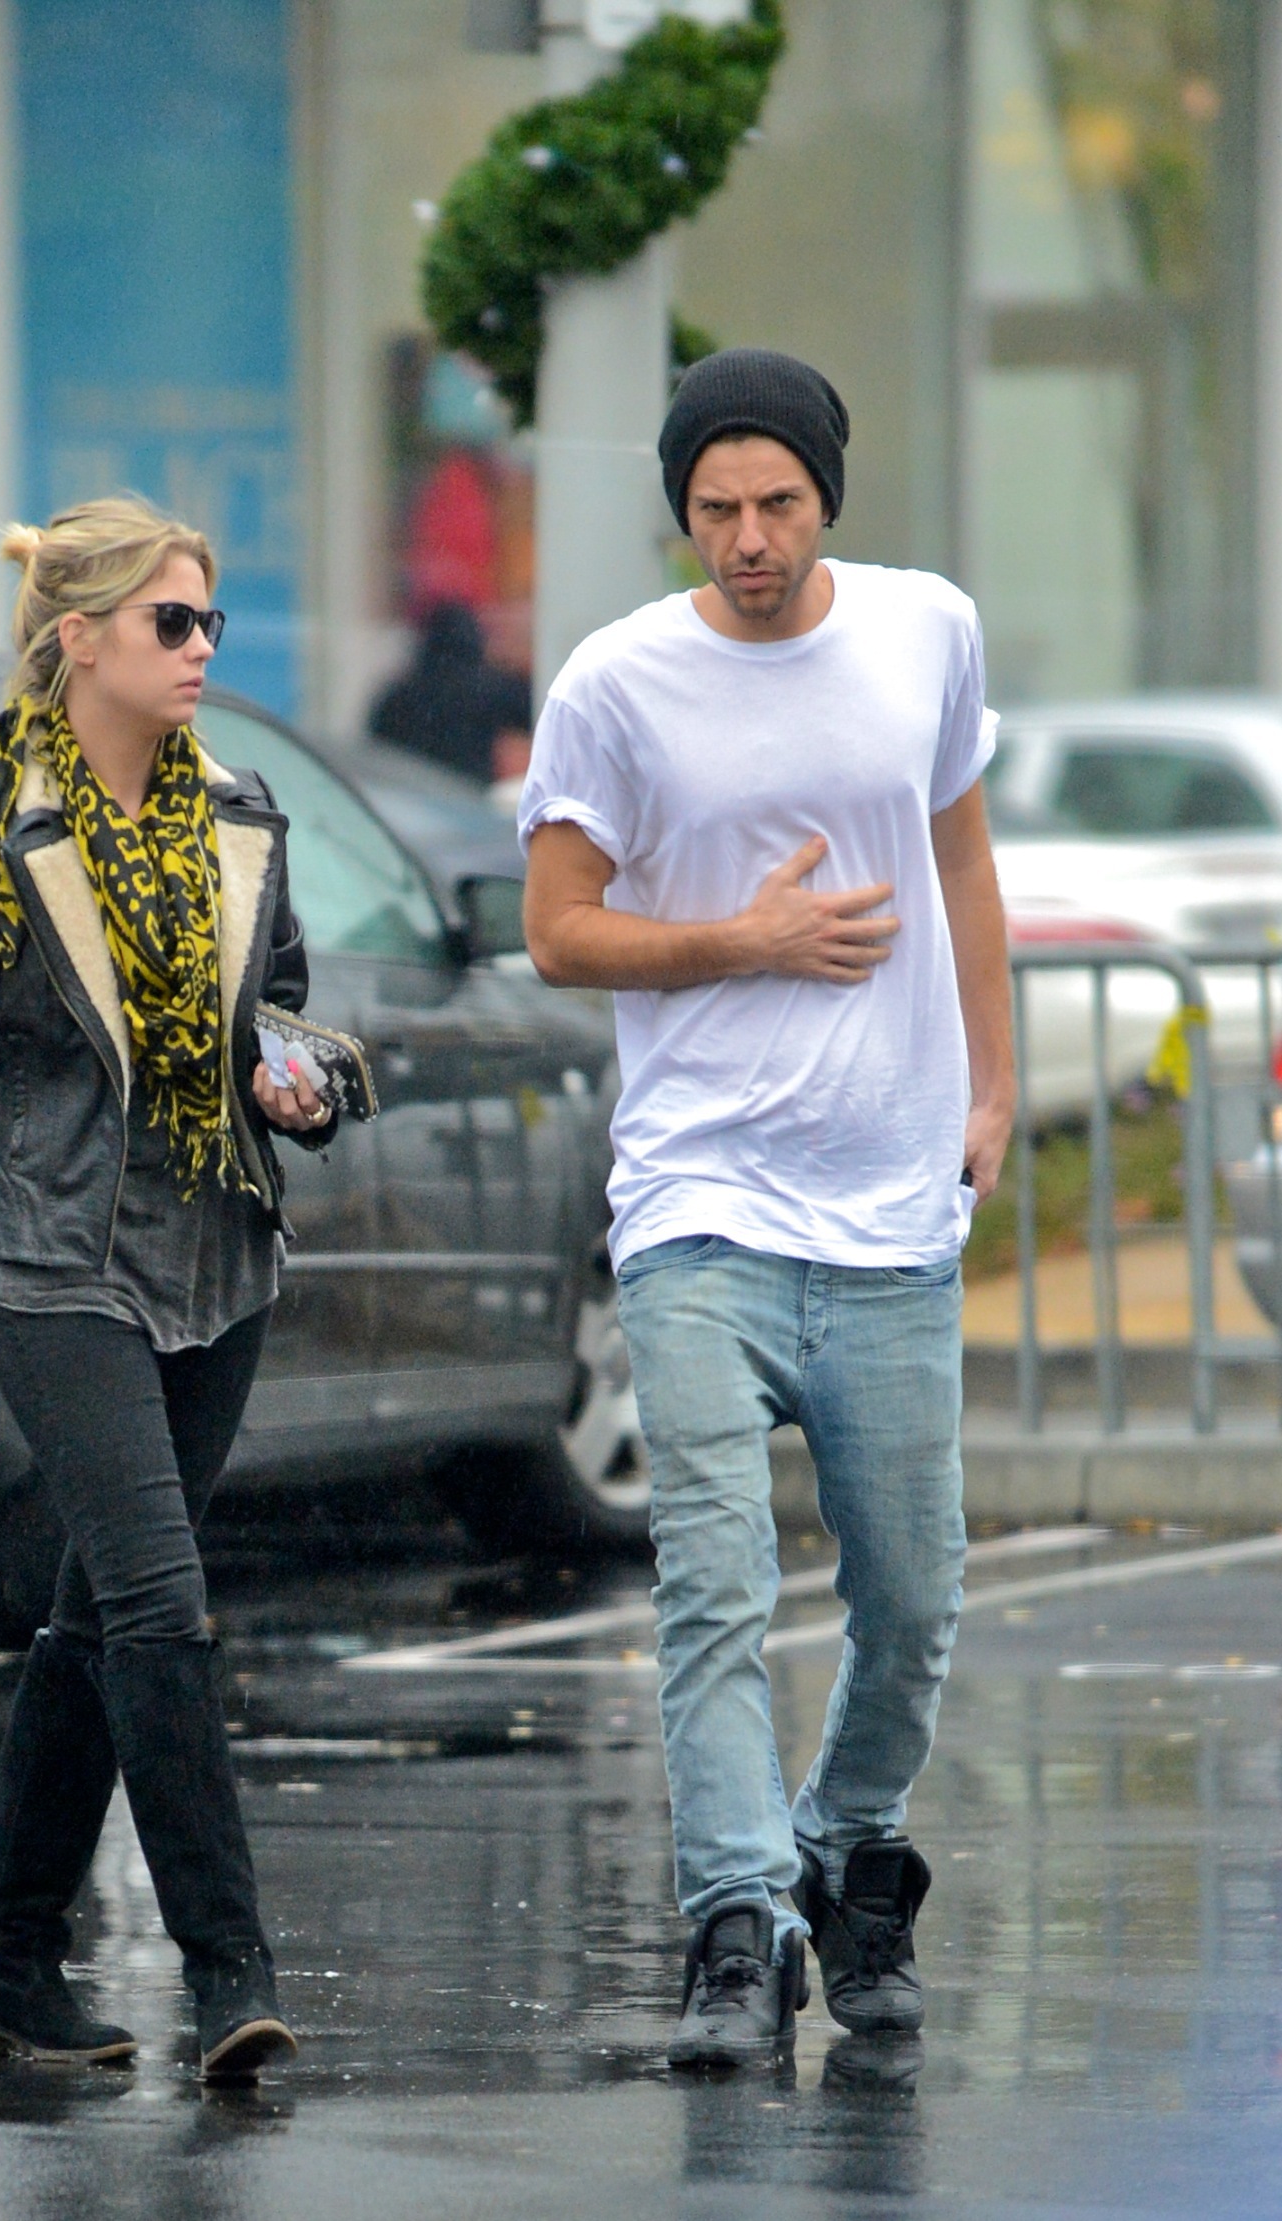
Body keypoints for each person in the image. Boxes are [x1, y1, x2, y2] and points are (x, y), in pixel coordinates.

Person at [520, 348, 1013, 2069]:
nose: (746, 538)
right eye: (715, 509)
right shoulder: (615, 683)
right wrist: (743, 938)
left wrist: (994, 1089)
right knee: (714, 1585)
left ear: (826, 498)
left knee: (913, 1599)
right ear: (683, 512)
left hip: (887, 1207)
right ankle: (736, 1926)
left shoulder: (925, 631)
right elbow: (558, 928)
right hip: (699, 1201)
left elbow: (961, 862)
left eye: (777, 504)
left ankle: (845, 1848)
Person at [0, 496, 332, 2080]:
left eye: (210, 622)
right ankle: (230, 1973)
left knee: (97, 1614)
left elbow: (285, 1011)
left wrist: (298, 1084)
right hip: (50, 1260)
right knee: (155, 1601)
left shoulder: (241, 816)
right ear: (80, 639)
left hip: (214, 1253)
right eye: (171, 623)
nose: (202, 650)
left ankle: (8, 1962)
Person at [368, 599, 532, 785]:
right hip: (471, 792)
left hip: (400, 794)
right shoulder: (498, 692)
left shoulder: (395, 698)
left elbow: (374, 751)